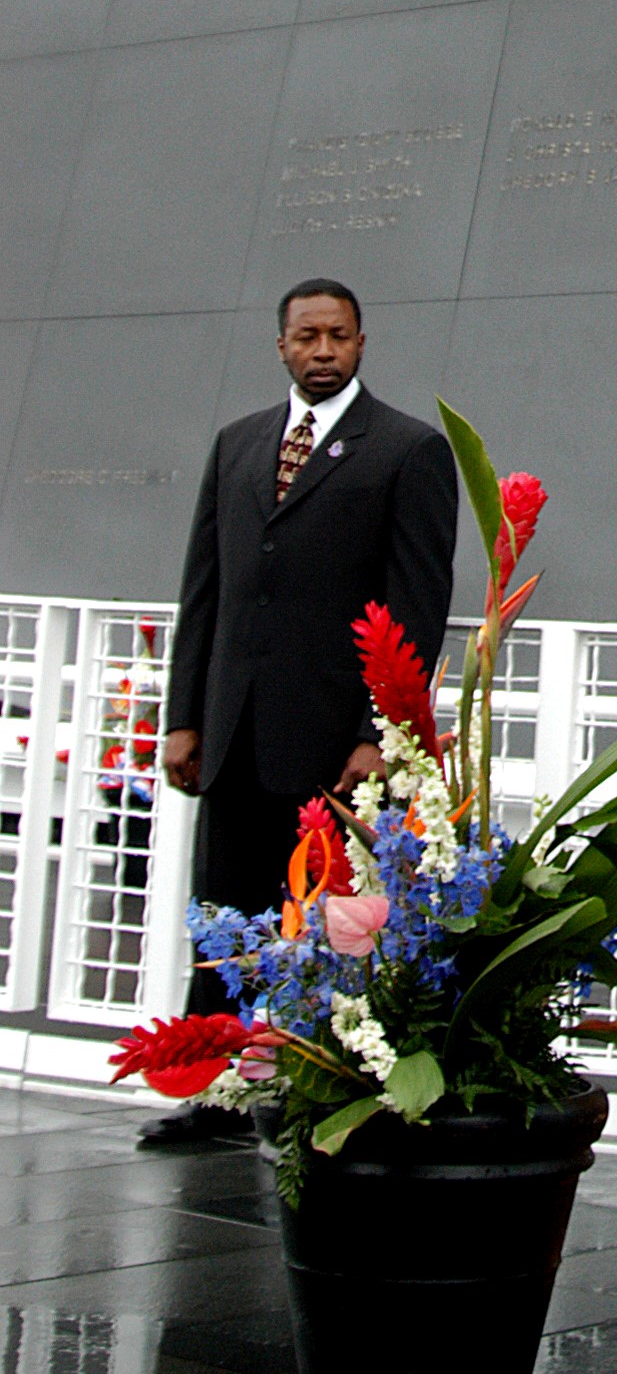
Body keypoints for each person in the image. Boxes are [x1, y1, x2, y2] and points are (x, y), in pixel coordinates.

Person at [149, 280, 457, 1148]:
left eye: (339, 337)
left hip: (331, 745)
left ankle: (314, 1091)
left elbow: (414, 606)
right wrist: (184, 718)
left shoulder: (405, 450)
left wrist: (377, 734)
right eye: (306, 337)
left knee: (324, 922)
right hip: (233, 731)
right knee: (227, 914)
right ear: (281, 346)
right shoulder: (238, 444)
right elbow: (204, 592)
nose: (322, 350)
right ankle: (211, 1090)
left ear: (363, 343)